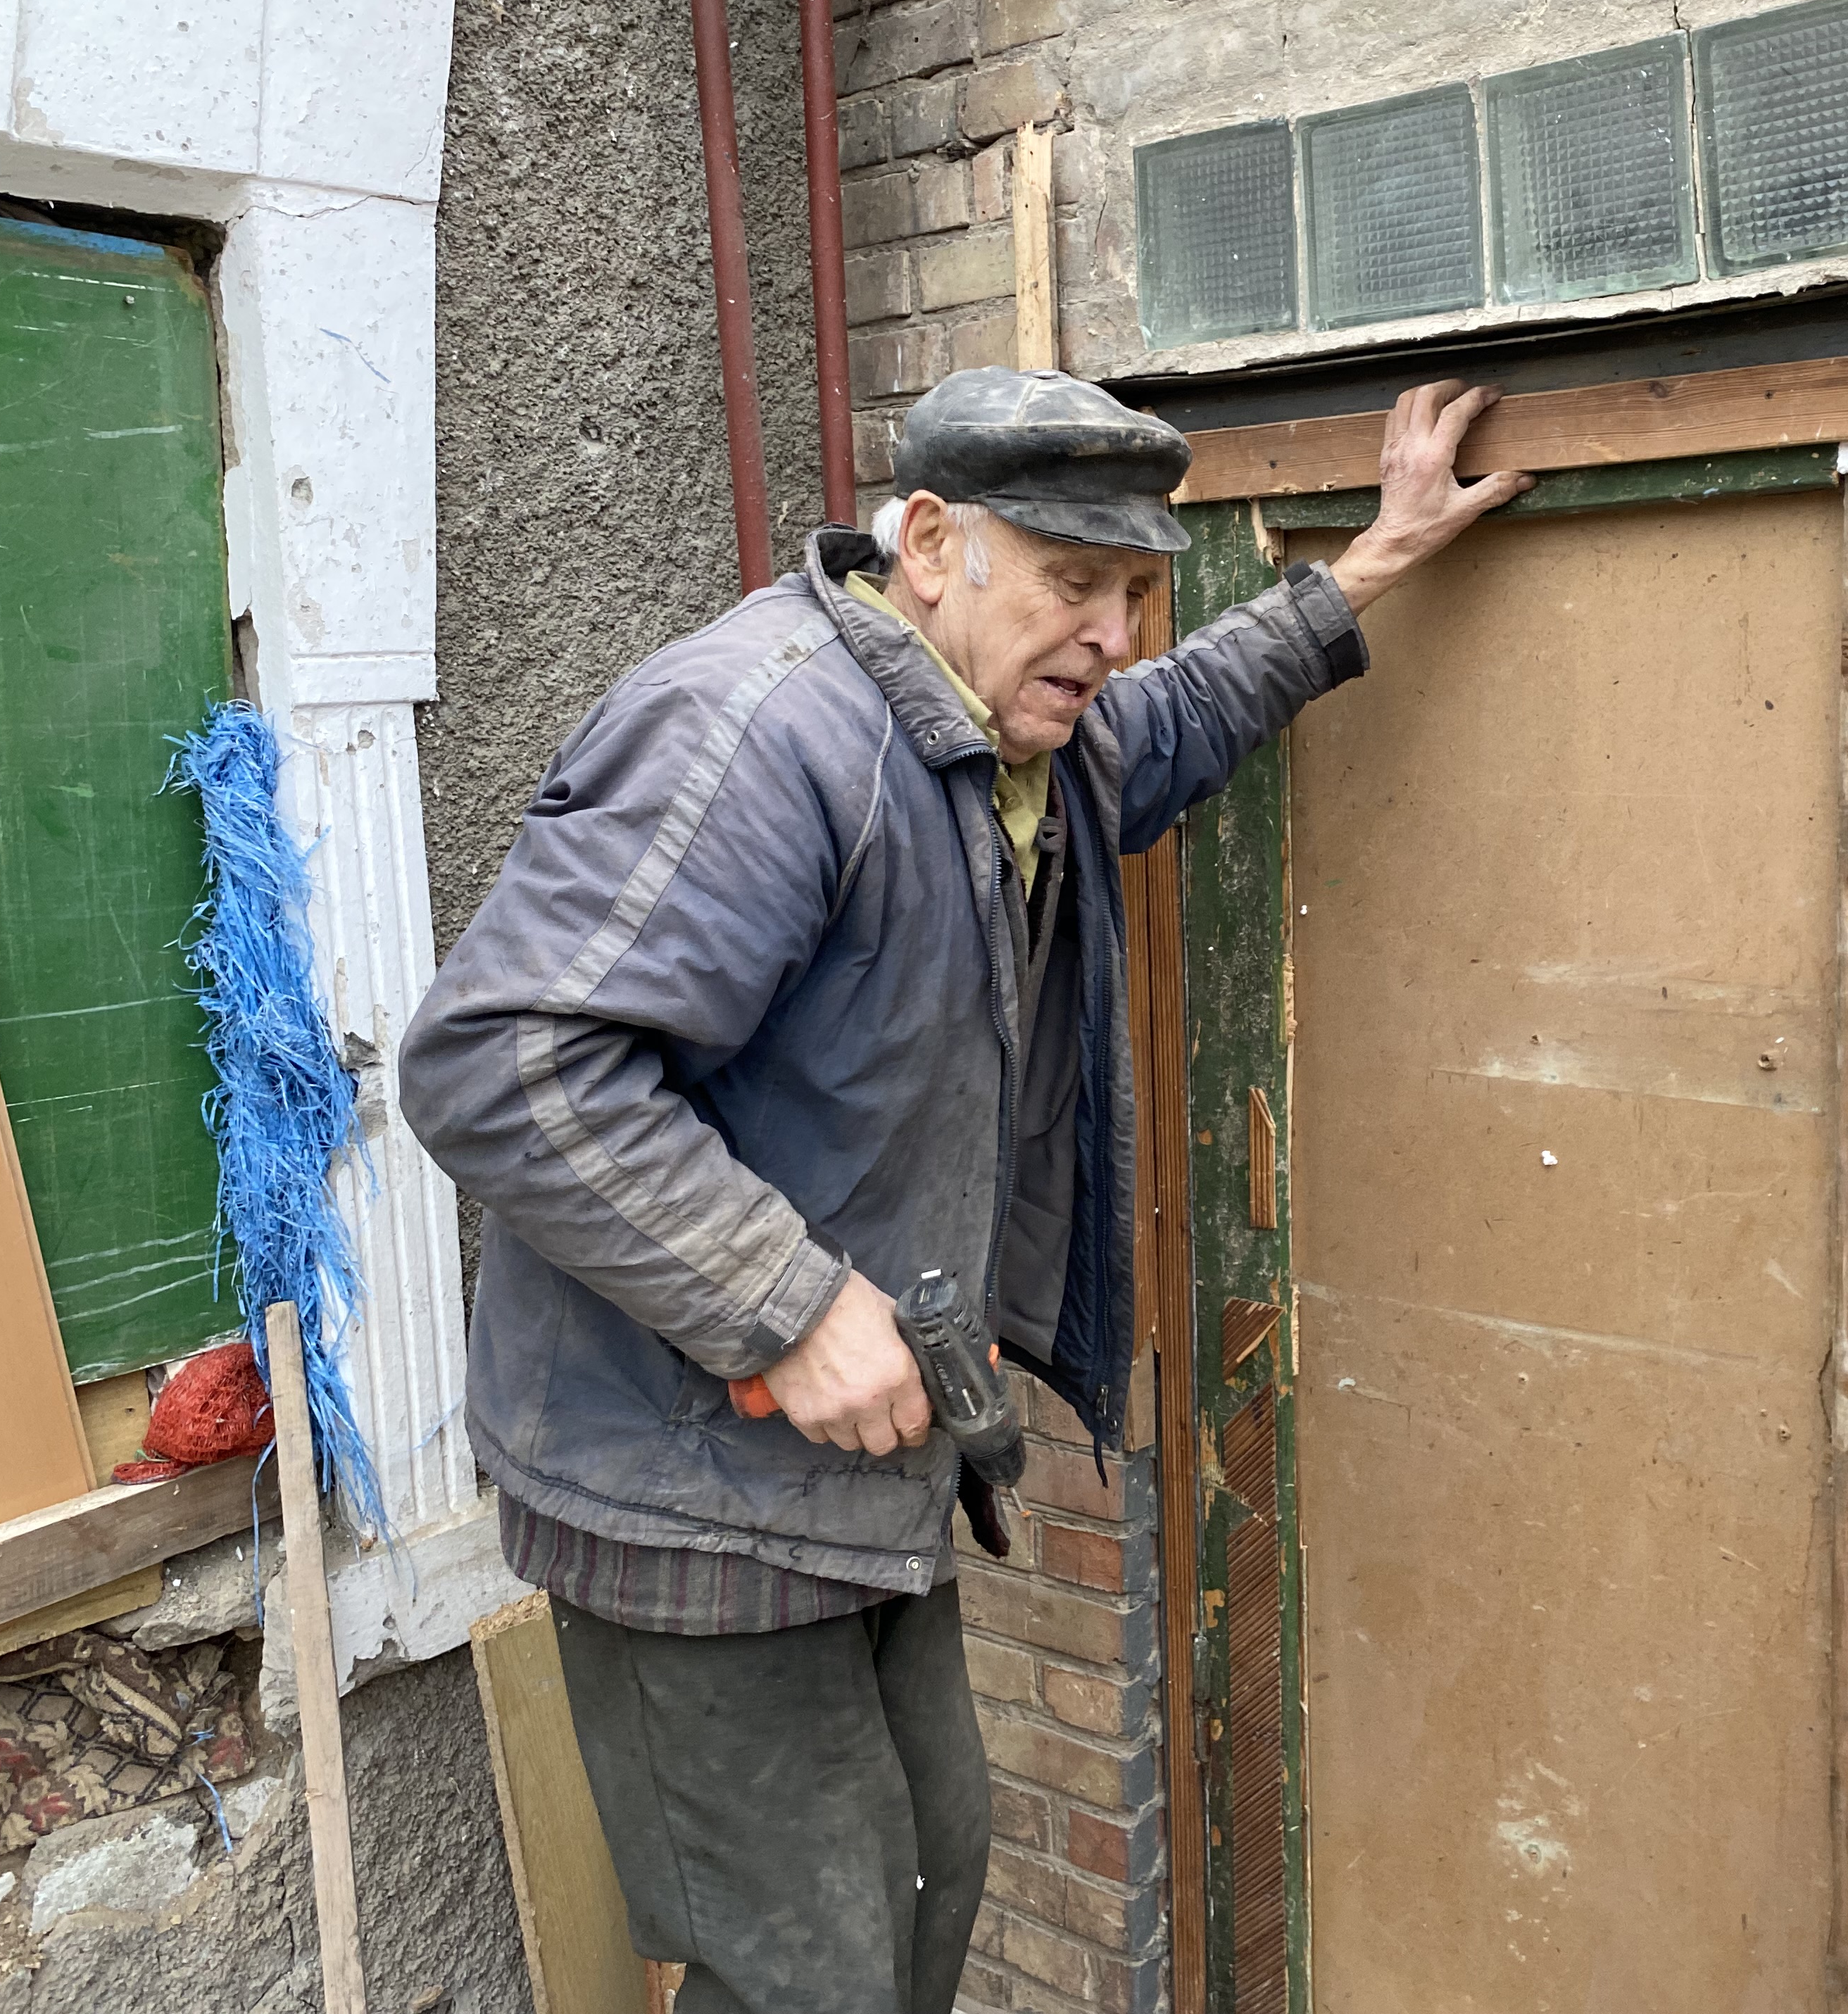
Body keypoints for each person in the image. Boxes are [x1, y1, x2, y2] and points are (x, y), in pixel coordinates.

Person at [397, 367, 1531, 2014]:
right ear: (929, 544)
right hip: (687, 1483)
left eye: (1133, 592)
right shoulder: (759, 735)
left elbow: (1184, 714)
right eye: (1075, 583)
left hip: (861, 1475)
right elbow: (500, 1064)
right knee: (815, 1973)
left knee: (928, 1893)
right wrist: (789, 1307)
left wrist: (1380, 557)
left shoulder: (1012, 743)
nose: (1116, 633)